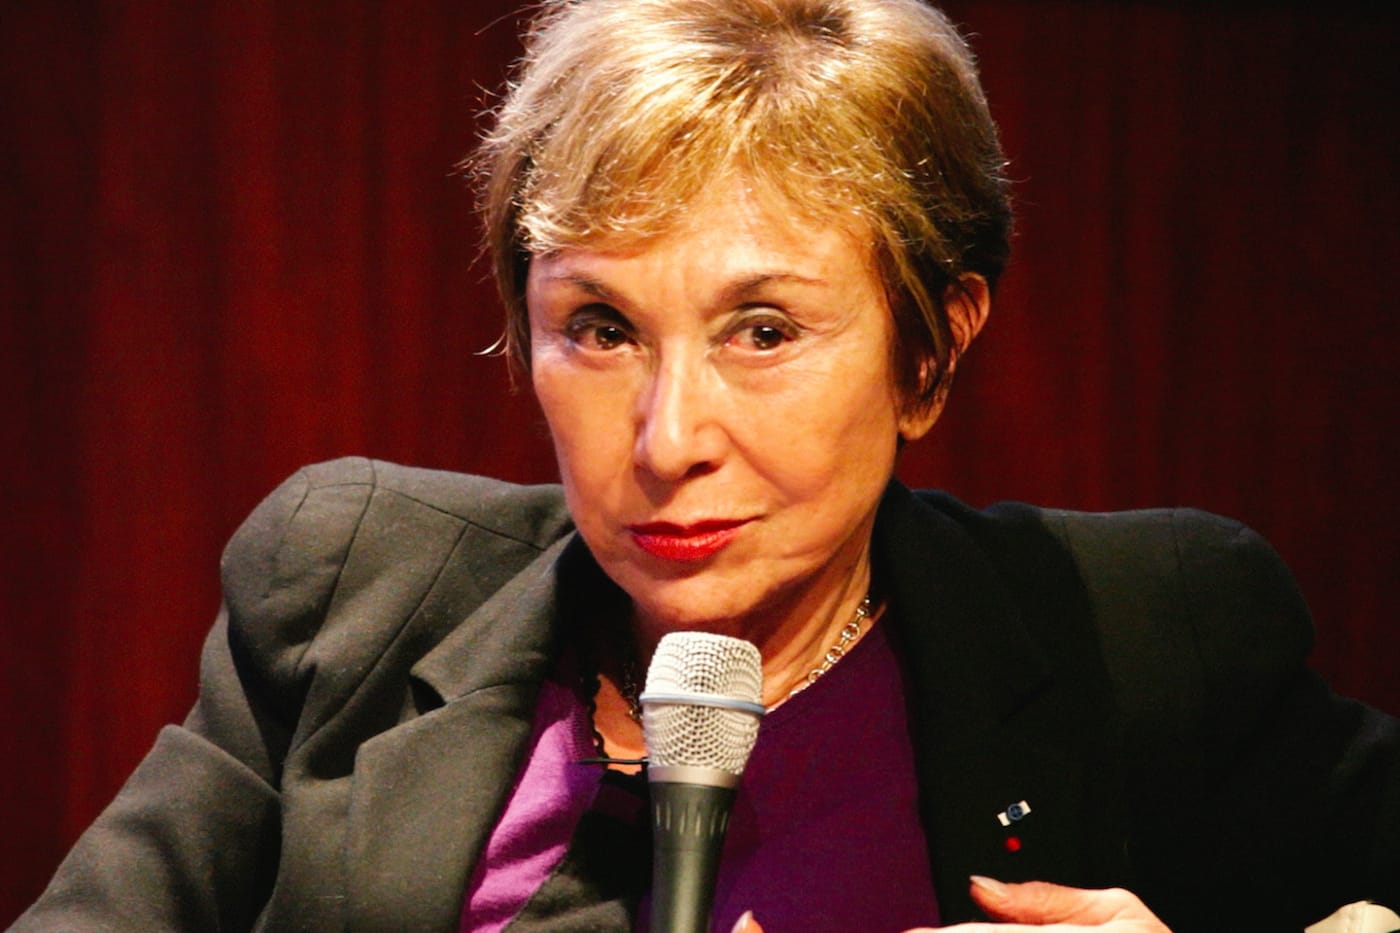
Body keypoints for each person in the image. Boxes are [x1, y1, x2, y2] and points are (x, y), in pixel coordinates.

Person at [13, 0, 1400, 930]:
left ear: (931, 352)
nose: (669, 440)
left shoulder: (1149, 632)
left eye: (764, 328)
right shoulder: (344, 595)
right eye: (601, 327)